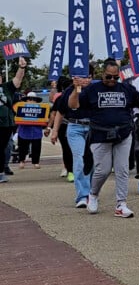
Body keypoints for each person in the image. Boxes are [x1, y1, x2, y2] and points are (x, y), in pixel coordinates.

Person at [69, 59, 139, 218]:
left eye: (115, 77)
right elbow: (73, 105)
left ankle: (121, 204)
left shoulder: (126, 88)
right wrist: (76, 87)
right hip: (100, 134)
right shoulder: (92, 89)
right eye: (108, 77)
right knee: (102, 170)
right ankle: (93, 194)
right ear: (101, 74)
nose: (111, 81)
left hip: (123, 134)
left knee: (122, 169)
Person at [50, 76, 96, 206]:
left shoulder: (96, 89)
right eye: (82, 77)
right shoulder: (69, 91)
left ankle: (92, 192)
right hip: (75, 128)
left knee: (92, 162)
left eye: (88, 77)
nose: (85, 80)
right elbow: (60, 111)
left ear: (92, 78)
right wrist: (55, 131)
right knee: (80, 158)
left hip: (93, 128)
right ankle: (83, 195)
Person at [0, 56, 27, 183]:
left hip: (6, 124)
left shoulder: (7, 88)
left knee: (2, 147)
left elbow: (18, 79)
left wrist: (21, 67)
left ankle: (1, 171)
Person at [48, 77, 75, 180]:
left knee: (74, 150)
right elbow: (55, 114)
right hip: (63, 126)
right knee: (67, 149)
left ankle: (76, 170)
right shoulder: (60, 98)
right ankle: (70, 171)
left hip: (76, 125)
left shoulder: (80, 95)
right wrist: (52, 130)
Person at [15, 92, 44, 169]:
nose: (31, 101)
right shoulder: (21, 108)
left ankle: (36, 162)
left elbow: (44, 119)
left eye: (33, 99)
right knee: (22, 147)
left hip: (36, 131)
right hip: (24, 131)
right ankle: (21, 161)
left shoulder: (40, 108)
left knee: (36, 147)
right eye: (29, 99)